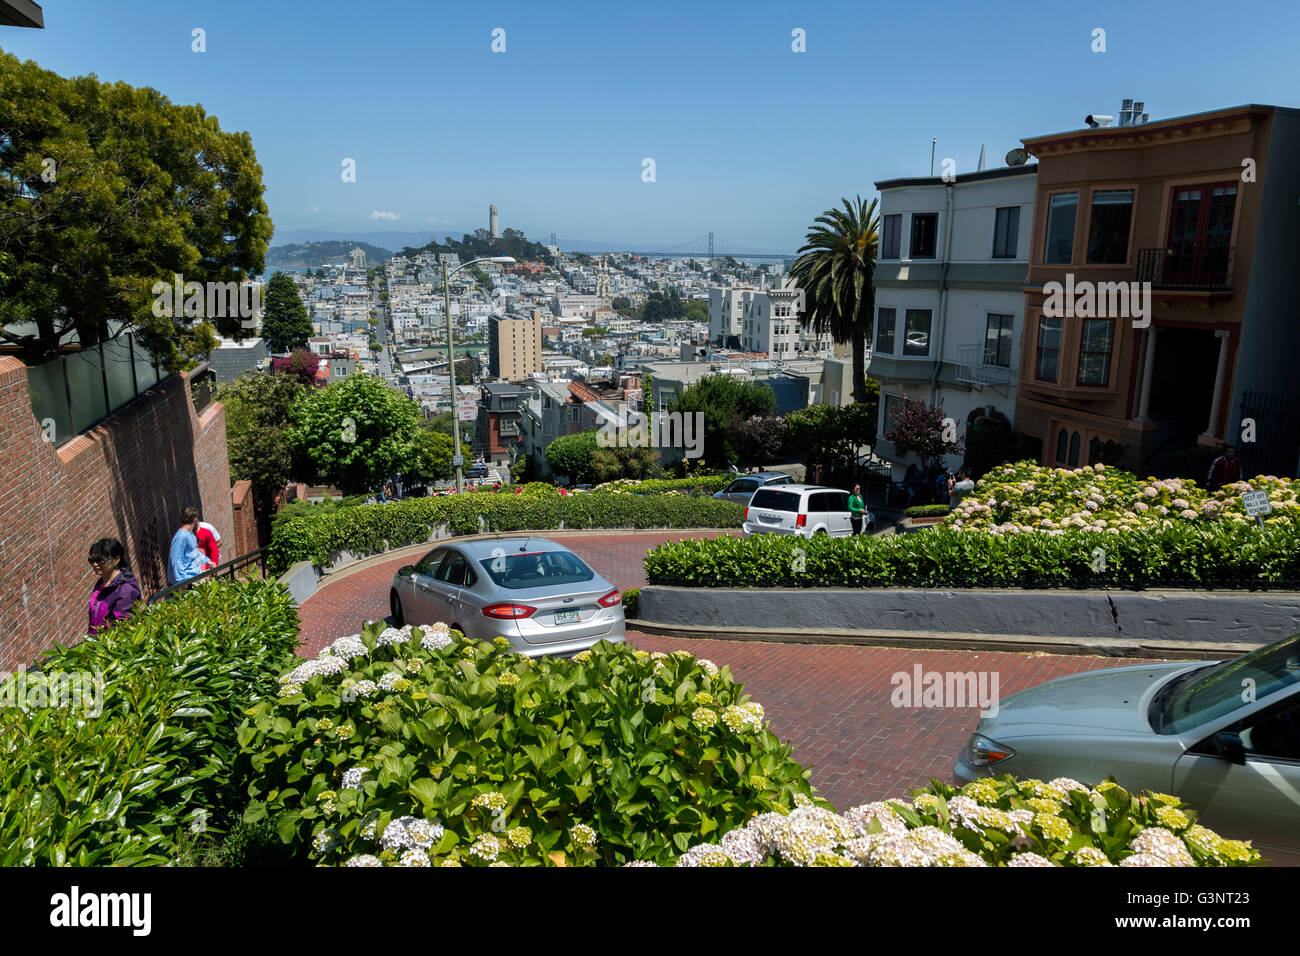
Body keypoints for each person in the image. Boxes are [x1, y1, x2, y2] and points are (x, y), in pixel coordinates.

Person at [88, 538, 141, 635]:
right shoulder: (101, 583)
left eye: (100, 560)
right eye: (92, 560)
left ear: (116, 560)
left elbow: (123, 629)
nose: (95, 564)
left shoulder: (126, 590)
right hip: (94, 644)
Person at [168, 507, 214, 585]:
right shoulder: (181, 537)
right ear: (195, 520)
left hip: (194, 575)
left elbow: (195, 553)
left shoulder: (191, 535)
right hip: (186, 580)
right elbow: (176, 559)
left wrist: (207, 561)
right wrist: (183, 582)